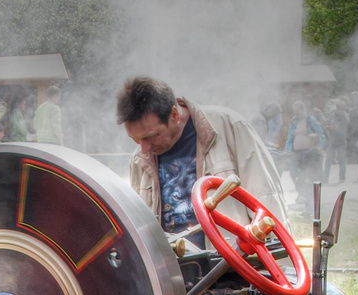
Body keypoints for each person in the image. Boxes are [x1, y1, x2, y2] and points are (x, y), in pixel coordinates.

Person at [117, 76, 291, 244]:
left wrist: (276, 262)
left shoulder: (229, 127)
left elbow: (267, 198)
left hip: (230, 265)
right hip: (173, 271)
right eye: (135, 139)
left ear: (175, 114)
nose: (144, 148)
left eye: (151, 136)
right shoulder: (140, 158)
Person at [284, 100, 326, 218]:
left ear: (302, 109)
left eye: (297, 110)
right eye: (294, 111)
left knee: (307, 177)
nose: (295, 113)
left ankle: (307, 202)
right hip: (297, 151)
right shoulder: (294, 121)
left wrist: (318, 147)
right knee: (294, 172)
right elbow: (290, 137)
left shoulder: (310, 120)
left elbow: (320, 133)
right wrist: (287, 152)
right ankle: (302, 194)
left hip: (309, 152)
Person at [325, 98, 349, 184]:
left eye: (341, 107)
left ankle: (342, 177)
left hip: (341, 141)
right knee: (328, 160)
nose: (339, 109)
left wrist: (333, 127)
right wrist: (328, 127)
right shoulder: (332, 115)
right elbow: (327, 124)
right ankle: (325, 178)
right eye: (338, 107)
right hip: (332, 141)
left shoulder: (344, 116)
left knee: (341, 159)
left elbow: (344, 124)